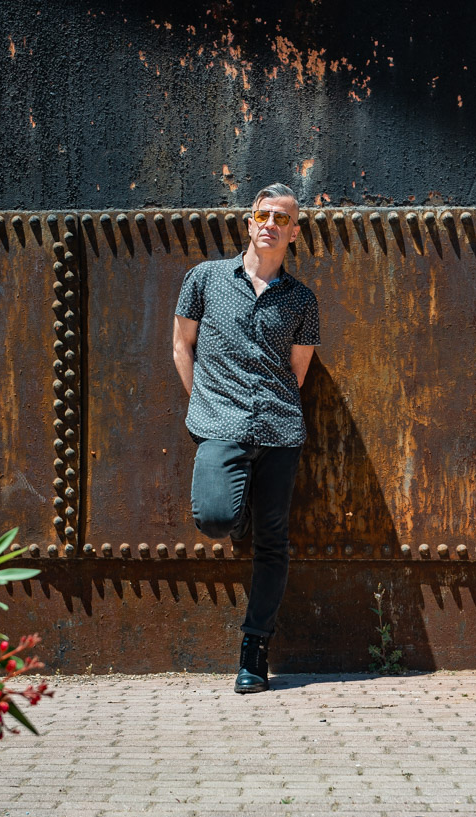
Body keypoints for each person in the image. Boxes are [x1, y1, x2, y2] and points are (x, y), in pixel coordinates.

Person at [172, 182, 320, 694]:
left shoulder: (302, 300)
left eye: (282, 218)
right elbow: (182, 345)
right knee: (216, 518)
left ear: (294, 232)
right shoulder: (205, 278)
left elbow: (297, 372)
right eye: (263, 215)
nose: (270, 224)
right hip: (220, 425)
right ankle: (238, 516)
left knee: (272, 541)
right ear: (249, 221)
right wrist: (204, 405)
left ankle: (254, 652)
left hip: (280, 429)